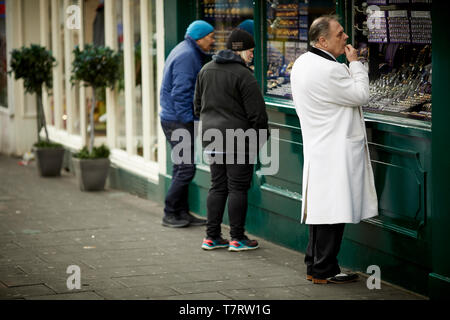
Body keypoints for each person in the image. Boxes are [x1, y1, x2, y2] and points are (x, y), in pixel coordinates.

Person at [290, 15, 378, 283]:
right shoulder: (331, 69)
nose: (346, 37)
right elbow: (362, 95)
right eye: (340, 34)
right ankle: (324, 269)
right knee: (333, 211)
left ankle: (314, 265)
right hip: (335, 148)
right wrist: (356, 65)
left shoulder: (304, 62)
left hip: (320, 145)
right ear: (322, 41)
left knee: (321, 209)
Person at [194, 29, 269, 252]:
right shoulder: (244, 75)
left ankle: (211, 237)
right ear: (242, 51)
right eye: (251, 51)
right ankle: (237, 238)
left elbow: (197, 107)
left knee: (217, 186)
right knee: (237, 188)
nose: (252, 56)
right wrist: (259, 142)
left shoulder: (206, 70)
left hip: (211, 138)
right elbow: (258, 115)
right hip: (238, 140)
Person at [159, 20, 215, 228]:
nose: (213, 40)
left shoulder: (186, 50)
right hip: (178, 121)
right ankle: (170, 212)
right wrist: (191, 123)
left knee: (181, 167)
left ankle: (181, 213)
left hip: (173, 118)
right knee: (186, 168)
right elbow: (181, 93)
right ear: (200, 37)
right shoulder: (187, 56)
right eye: (210, 36)